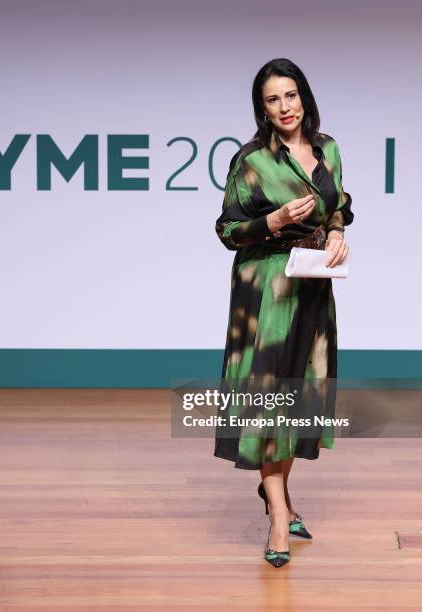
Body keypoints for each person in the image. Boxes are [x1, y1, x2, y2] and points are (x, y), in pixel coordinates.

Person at [212, 58, 353, 568]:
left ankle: (279, 497)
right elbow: (227, 230)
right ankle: (277, 518)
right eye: (273, 100)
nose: (284, 107)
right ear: (263, 109)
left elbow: (338, 203)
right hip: (268, 292)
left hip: (313, 286)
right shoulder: (251, 161)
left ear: (304, 98)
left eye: (290, 95)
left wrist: (337, 231)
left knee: (298, 400)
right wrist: (269, 221)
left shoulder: (327, 148)